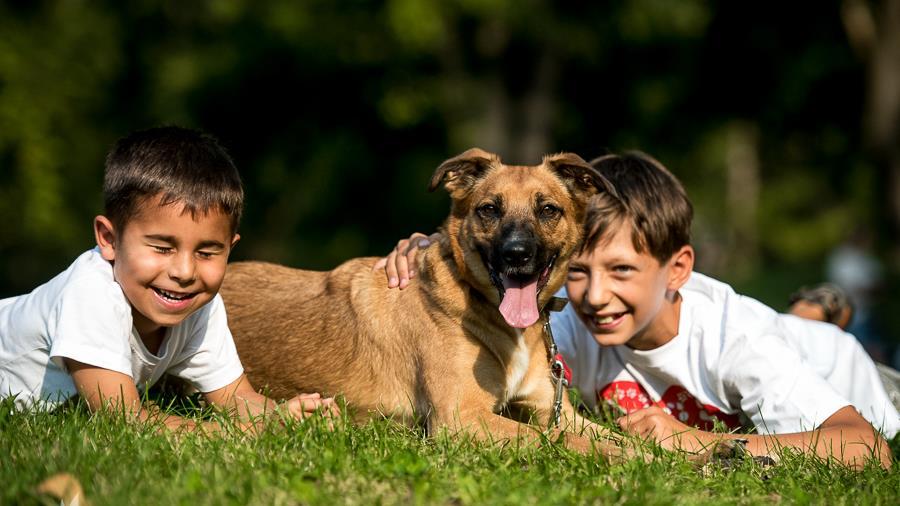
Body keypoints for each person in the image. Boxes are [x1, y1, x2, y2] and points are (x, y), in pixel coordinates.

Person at [377, 151, 897, 468]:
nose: (596, 295)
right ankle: (811, 310)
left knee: (789, 339)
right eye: (577, 272)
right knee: (782, 328)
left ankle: (816, 318)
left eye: (622, 270)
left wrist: (705, 443)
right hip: (738, 328)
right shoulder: (560, 317)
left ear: (676, 270)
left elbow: (865, 450)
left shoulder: (739, 341)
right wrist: (435, 251)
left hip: (854, 374)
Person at [0, 126, 337, 432]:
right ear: (108, 239)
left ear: (230, 249)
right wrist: (226, 435)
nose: (185, 272)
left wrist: (281, 417)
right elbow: (123, 420)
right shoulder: (90, 293)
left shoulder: (202, 306)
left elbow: (235, 397)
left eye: (207, 253)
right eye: (162, 248)